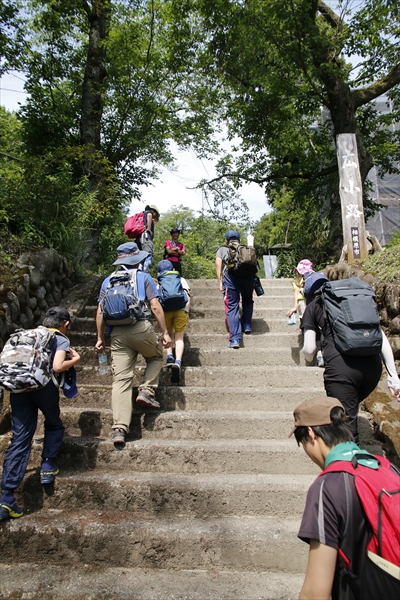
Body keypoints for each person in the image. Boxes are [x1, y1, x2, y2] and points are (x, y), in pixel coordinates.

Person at [290, 396, 399, 600]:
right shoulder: (386, 466)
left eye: (303, 443)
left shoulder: (327, 487)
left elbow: (315, 594)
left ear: (311, 434)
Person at [0, 307, 81, 521]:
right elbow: (57, 366)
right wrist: (76, 359)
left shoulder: (27, 334)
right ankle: (47, 466)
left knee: (20, 439)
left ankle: (7, 497)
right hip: (43, 388)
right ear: (65, 324)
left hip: (18, 389)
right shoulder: (60, 339)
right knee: (54, 424)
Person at [95, 242, 172, 448]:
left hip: (117, 333)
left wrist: (100, 338)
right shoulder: (143, 277)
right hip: (139, 327)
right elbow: (155, 306)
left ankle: (119, 428)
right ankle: (147, 390)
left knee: (120, 379)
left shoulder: (107, 281)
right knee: (156, 357)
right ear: (136, 259)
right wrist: (165, 332)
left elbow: (101, 312)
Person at [301, 290, 400, 443]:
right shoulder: (359, 305)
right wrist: (393, 377)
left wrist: (313, 356)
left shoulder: (314, 305)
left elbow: (309, 348)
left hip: (342, 369)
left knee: (346, 427)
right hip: (373, 368)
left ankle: (350, 462)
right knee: (349, 410)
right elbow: (380, 336)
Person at [215, 230, 254, 349]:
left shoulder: (222, 249)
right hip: (248, 278)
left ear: (226, 241)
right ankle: (247, 324)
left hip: (231, 278)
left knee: (232, 306)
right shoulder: (246, 248)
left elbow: (218, 264)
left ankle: (235, 339)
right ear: (240, 240)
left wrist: (220, 281)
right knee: (247, 300)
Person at [157, 260, 191, 383]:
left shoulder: (160, 282)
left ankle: (170, 356)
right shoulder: (180, 279)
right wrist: (186, 310)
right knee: (179, 337)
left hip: (165, 311)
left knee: (168, 334)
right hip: (181, 310)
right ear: (172, 269)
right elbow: (187, 296)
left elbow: (157, 301)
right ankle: (178, 362)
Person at [287, 259, 324, 368]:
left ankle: (310, 354)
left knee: (307, 328)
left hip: (304, 305)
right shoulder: (315, 277)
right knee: (319, 329)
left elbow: (297, 293)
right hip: (318, 305)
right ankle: (321, 354)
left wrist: (294, 306)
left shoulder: (297, 280)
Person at [135, 204, 160, 272]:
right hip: (145, 237)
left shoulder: (143, 215)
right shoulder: (149, 213)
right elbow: (149, 215)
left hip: (139, 238)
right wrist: (149, 228)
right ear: (154, 211)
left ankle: (139, 272)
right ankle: (145, 272)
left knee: (141, 256)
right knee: (148, 254)